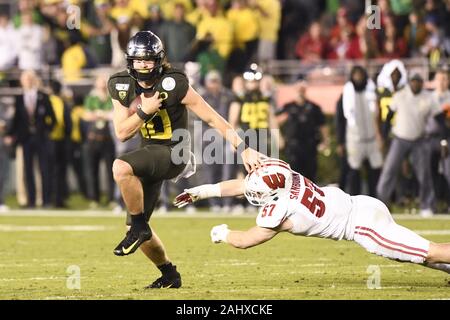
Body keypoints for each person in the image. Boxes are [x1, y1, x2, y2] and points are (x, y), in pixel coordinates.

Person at [108, 31, 261, 289]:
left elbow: (212, 118)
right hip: (149, 154)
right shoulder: (120, 84)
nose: (143, 65)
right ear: (130, 61)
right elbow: (122, 132)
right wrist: (145, 111)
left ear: (158, 60)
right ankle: (169, 274)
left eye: (148, 60)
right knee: (135, 228)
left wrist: (243, 147)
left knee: (120, 167)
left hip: (173, 152)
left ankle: (139, 226)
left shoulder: (174, 83)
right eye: (138, 60)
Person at [174, 157, 450, 276]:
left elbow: (246, 240)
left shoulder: (278, 213)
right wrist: (203, 192)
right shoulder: (283, 174)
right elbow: (243, 186)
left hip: (364, 227)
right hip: (364, 204)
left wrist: (222, 234)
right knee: (411, 252)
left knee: (429, 252)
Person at [376, 72, 446, 217]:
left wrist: (444, 139)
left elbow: (440, 120)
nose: (416, 84)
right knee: (389, 170)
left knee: (424, 173)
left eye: (419, 82)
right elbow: (388, 116)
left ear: (422, 83)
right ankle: (380, 204)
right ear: (409, 83)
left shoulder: (429, 97)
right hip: (399, 138)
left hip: (419, 139)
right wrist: (384, 136)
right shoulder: (400, 95)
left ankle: (427, 205)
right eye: (413, 81)